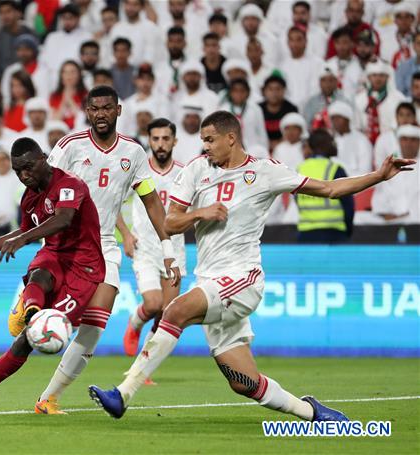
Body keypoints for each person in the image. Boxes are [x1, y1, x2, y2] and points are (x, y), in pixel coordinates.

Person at [89, 110, 415, 423]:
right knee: (244, 382)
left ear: (231, 138)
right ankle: (312, 412)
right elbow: (171, 223)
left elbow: (328, 189)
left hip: (244, 279)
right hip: (210, 280)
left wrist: (378, 176)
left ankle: (122, 394)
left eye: (210, 140)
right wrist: (200, 214)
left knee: (174, 311)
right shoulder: (196, 171)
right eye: (202, 140)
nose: (205, 147)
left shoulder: (264, 171)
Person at [34, 87, 180, 414]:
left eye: (107, 108)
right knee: (46, 321)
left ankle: (48, 398)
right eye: (95, 108)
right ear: (87, 111)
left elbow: (151, 201)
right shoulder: (70, 146)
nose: (101, 113)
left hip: (104, 246)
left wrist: (167, 247)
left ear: (118, 110)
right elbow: (43, 186)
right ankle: (27, 310)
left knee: (94, 327)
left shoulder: (134, 153)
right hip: (65, 245)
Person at [0, 137, 107, 417]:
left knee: (26, 343)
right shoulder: (29, 197)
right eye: (18, 170)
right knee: (40, 273)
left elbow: (63, 219)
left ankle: (32, 317)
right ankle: (31, 312)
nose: (23, 175)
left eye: (28, 167)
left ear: (44, 158)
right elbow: (22, 232)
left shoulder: (69, 185)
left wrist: (25, 238)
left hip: (84, 268)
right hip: (54, 255)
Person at [117, 118, 187, 357]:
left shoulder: (184, 173)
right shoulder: (138, 171)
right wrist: (126, 235)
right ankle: (135, 324)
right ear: (149, 141)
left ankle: (144, 364)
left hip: (174, 249)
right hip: (145, 248)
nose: (160, 144)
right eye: (155, 139)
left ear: (174, 141)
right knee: (153, 304)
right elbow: (111, 202)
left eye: (166, 138)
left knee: (167, 313)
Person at [296, 130, 354, 244]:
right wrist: (348, 231)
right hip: (333, 233)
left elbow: (297, 200)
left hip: (305, 234)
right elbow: (348, 205)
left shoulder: (299, 169)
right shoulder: (336, 169)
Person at [372, 124, 420, 223]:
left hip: (416, 220)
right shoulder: (390, 166)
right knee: (359, 218)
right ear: (399, 142)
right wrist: (385, 214)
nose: (408, 143)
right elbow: (380, 194)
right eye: (405, 139)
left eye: (413, 140)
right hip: (391, 219)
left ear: (419, 142)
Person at [355, 62, 407, 145]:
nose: (378, 79)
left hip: (391, 142)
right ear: (369, 77)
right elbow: (356, 126)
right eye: (374, 75)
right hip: (364, 142)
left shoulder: (399, 98)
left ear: (387, 77)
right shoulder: (359, 99)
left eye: (382, 75)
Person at [0, 0, 34, 77]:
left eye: (8, 11)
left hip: (29, 78)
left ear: (18, 13)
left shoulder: (29, 33)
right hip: (4, 81)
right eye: (1, 13)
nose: (5, 16)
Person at [328, 101, 374, 177]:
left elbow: (365, 172)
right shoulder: (330, 140)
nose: (335, 122)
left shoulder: (361, 140)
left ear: (347, 119)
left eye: (338, 118)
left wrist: (340, 165)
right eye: (333, 118)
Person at [303, 64, 354, 131]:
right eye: (324, 80)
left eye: (331, 80)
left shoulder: (344, 101)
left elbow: (351, 124)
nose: (327, 84)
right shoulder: (311, 102)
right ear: (319, 82)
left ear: (336, 82)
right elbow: (306, 125)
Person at [259, 75, 300, 151]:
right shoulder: (258, 109)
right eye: (270, 89)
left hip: (286, 146)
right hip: (262, 146)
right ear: (264, 91)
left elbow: (295, 132)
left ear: (284, 90)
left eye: (278, 89)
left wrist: (279, 143)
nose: (274, 93)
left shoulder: (291, 109)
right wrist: (267, 144)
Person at [373, 102, 416, 169]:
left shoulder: (418, 138)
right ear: (396, 117)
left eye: (408, 115)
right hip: (390, 178)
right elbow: (379, 166)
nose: (405, 118)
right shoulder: (383, 138)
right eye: (401, 115)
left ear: (414, 117)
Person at [49, 61, 88, 130]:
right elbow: (54, 121)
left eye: (73, 72)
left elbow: (85, 119)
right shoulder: (54, 96)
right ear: (61, 75)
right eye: (65, 72)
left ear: (79, 75)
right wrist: (64, 100)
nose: (69, 75)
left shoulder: (85, 94)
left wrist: (70, 100)